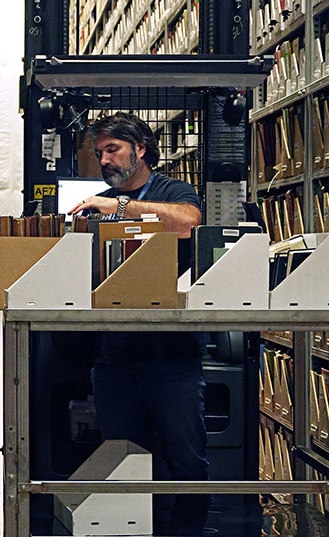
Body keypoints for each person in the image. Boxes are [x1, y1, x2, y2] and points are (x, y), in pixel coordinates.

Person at [68, 111, 210, 536]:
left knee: (187, 458)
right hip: (115, 354)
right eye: (99, 153)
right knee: (123, 458)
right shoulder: (97, 202)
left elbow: (188, 224)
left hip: (173, 355)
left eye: (113, 149)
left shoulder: (173, 191)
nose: (105, 160)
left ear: (141, 149)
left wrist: (122, 207)